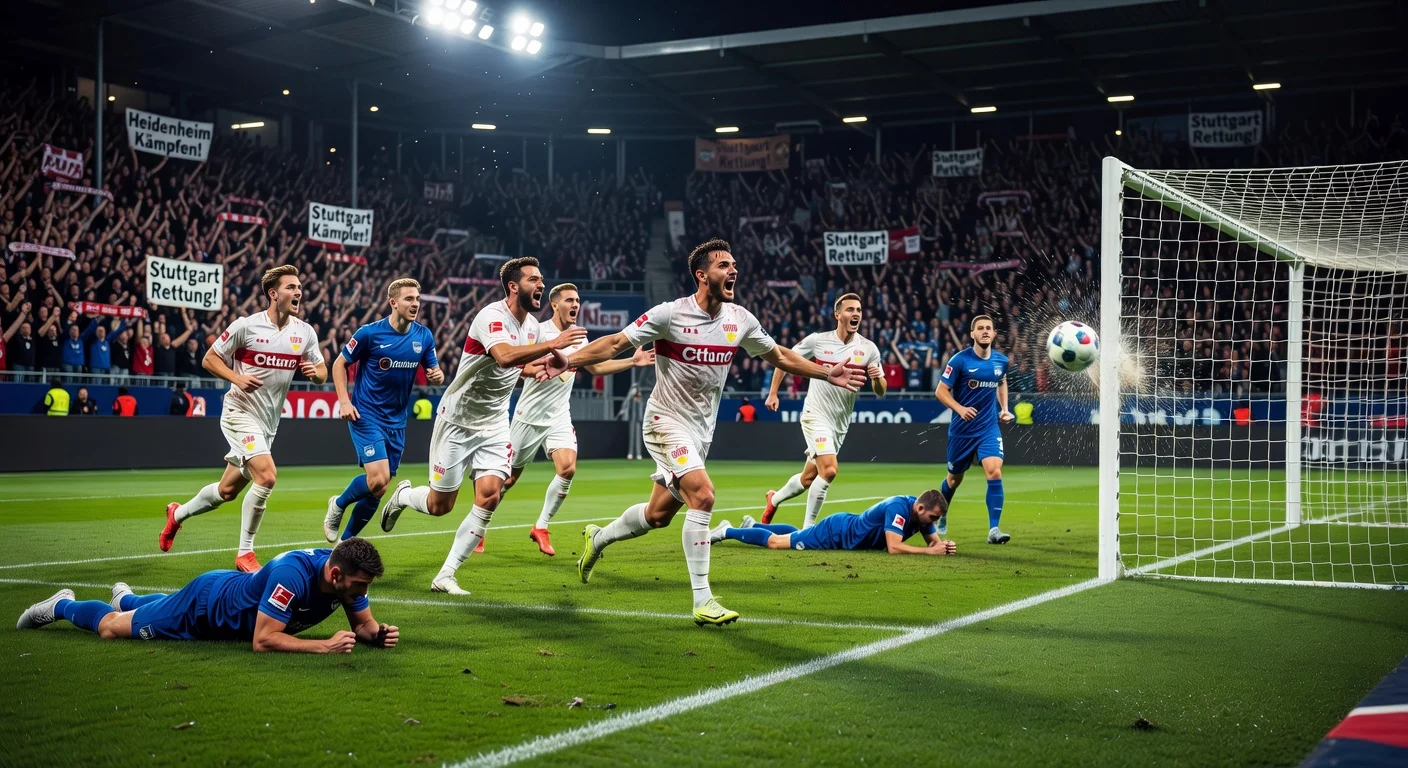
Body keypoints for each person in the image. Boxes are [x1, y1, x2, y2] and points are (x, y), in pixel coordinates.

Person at [535, 238, 867, 626]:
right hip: (664, 422)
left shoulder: (739, 319)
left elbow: (778, 354)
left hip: (699, 432)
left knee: (657, 515)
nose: (733, 271)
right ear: (702, 275)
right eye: (724, 265)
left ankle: (599, 539)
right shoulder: (669, 315)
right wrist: (569, 359)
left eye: (734, 265)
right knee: (704, 496)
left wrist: (827, 372)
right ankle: (703, 600)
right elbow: (615, 343)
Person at [378, 257, 585, 595]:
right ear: (514, 286)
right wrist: (553, 346)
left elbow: (521, 365)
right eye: (534, 279)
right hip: (458, 419)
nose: (541, 285)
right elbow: (504, 356)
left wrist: (550, 364)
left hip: (494, 424)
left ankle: (445, 574)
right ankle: (403, 496)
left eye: (542, 279)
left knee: (489, 497)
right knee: (439, 506)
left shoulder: (531, 326)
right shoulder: (491, 317)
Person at [159, 265, 328, 572]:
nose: (298, 292)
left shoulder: (304, 333)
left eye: (299, 287)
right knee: (267, 476)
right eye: (291, 287)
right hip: (239, 412)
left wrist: (314, 374)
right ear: (273, 294)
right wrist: (236, 378)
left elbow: (322, 370)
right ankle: (245, 554)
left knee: (226, 492)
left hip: (267, 423)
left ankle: (177, 515)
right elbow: (209, 358)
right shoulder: (246, 326)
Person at [16, 538, 399, 655]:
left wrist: (376, 634)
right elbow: (263, 641)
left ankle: (129, 599)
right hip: (204, 609)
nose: (362, 594)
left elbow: (363, 626)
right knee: (111, 630)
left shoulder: (344, 577)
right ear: (336, 575)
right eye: (361, 587)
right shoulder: (291, 578)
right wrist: (322, 646)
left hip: (220, 593)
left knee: (152, 607)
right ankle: (61, 605)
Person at [500, 283, 653, 556]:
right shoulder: (538, 331)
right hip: (529, 416)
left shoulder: (579, 337)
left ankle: (541, 527)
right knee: (507, 480)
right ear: (555, 304)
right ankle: (480, 523)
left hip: (559, 415)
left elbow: (596, 367)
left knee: (567, 469)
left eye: (578, 300)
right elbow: (516, 364)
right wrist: (533, 370)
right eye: (570, 300)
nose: (575, 305)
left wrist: (632, 361)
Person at [323, 278, 444, 544]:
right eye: (409, 299)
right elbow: (339, 364)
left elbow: (435, 370)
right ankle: (339, 504)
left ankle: (344, 545)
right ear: (394, 302)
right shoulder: (369, 333)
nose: (415, 304)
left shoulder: (423, 336)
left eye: (417, 299)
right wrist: (344, 401)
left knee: (379, 489)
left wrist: (436, 375)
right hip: (366, 414)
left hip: (397, 421)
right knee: (378, 478)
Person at [762, 292, 885, 527]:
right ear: (837, 314)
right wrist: (773, 392)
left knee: (808, 478)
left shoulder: (868, 348)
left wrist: (878, 378)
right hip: (815, 415)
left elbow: (881, 391)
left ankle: (773, 499)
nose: (856, 314)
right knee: (828, 471)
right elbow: (783, 358)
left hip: (839, 423)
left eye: (859, 310)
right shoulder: (818, 341)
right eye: (850, 310)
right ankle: (808, 529)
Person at [934, 314, 1014, 545]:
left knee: (994, 470)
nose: (985, 331)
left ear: (994, 333)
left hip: (988, 427)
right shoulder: (960, 361)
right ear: (973, 334)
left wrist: (1004, 408)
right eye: (980, 328)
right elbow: (940, 391)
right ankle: (943, 511)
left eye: (989, 328)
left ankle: (994, 529)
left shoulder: (1001, 361)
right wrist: (959, 409)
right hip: (962, 431)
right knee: (953, 480)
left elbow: (1002, 381)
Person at [711, 491, 956, 556]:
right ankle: (727, 531)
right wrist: (930, 551)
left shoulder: (921, 514)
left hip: (843, 527)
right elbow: (894, 547)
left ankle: (753, 527)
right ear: (921, 508)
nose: (932, 523)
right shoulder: (899, 508)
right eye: (933, 518)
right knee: (777, 544)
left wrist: (944, 546)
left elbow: (935, 542)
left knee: (800, 533)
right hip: (836, 534)